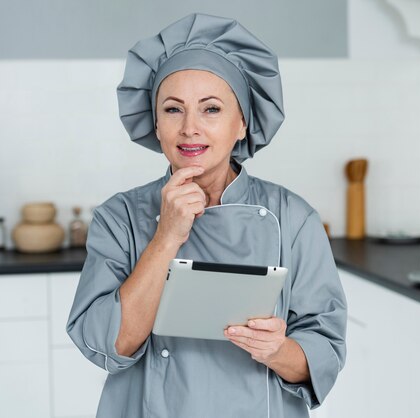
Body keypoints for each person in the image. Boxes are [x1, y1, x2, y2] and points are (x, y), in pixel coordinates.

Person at [66, 13, 347, 418]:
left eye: (211, 109)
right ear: (156, 125)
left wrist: (279, 350)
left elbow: (325, 355)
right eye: (173, 110)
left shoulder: (293, 219)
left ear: (242, 124)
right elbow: (108, 345)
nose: (190, 129)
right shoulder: (120, 217)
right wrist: (166, 236)